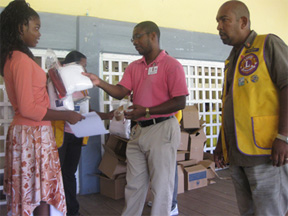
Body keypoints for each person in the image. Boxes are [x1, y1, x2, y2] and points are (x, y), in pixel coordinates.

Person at [83, 21, 188, 216]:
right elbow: (121, 91)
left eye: (138, 36)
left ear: (153, 36)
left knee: (161, 186)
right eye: (133, 38)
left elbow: (180, 102)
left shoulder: (171, 65)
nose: (134, 41)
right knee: (134, 185)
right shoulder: (134, 67)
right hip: (139, 130)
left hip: (162, 128)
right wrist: (99, 82)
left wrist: (146, 111)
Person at [0, 1, 85, 216]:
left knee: (38, 194)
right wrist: (66, 114)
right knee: (39, 197)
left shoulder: (16, 57)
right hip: (33, 133)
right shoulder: (20, 60)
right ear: (21, 27)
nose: (39, 34)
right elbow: (29, 108)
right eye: (35, 28)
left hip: (31, 132)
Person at [214, 1, 288, 215]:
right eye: (217, 21)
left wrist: (284, 136)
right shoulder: (232, 59)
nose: (218, 26)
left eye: (224, 20)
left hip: (267, 153)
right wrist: (221, 142)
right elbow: (230, 104)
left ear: (243, 22)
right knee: (247, 211)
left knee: (270, 212)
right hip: (238, 155)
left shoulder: (268, 44)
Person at [53, 50, 113, 216]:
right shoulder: (57, 83)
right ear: (71, 66)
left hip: (77, 136)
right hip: (60, 136)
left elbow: (87, 111)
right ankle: (57, 210)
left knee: (69, 174)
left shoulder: (83, 87)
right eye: (83, 66)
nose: (85, 70)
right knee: (56, 175)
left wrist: (107, 116)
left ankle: (72, 211)